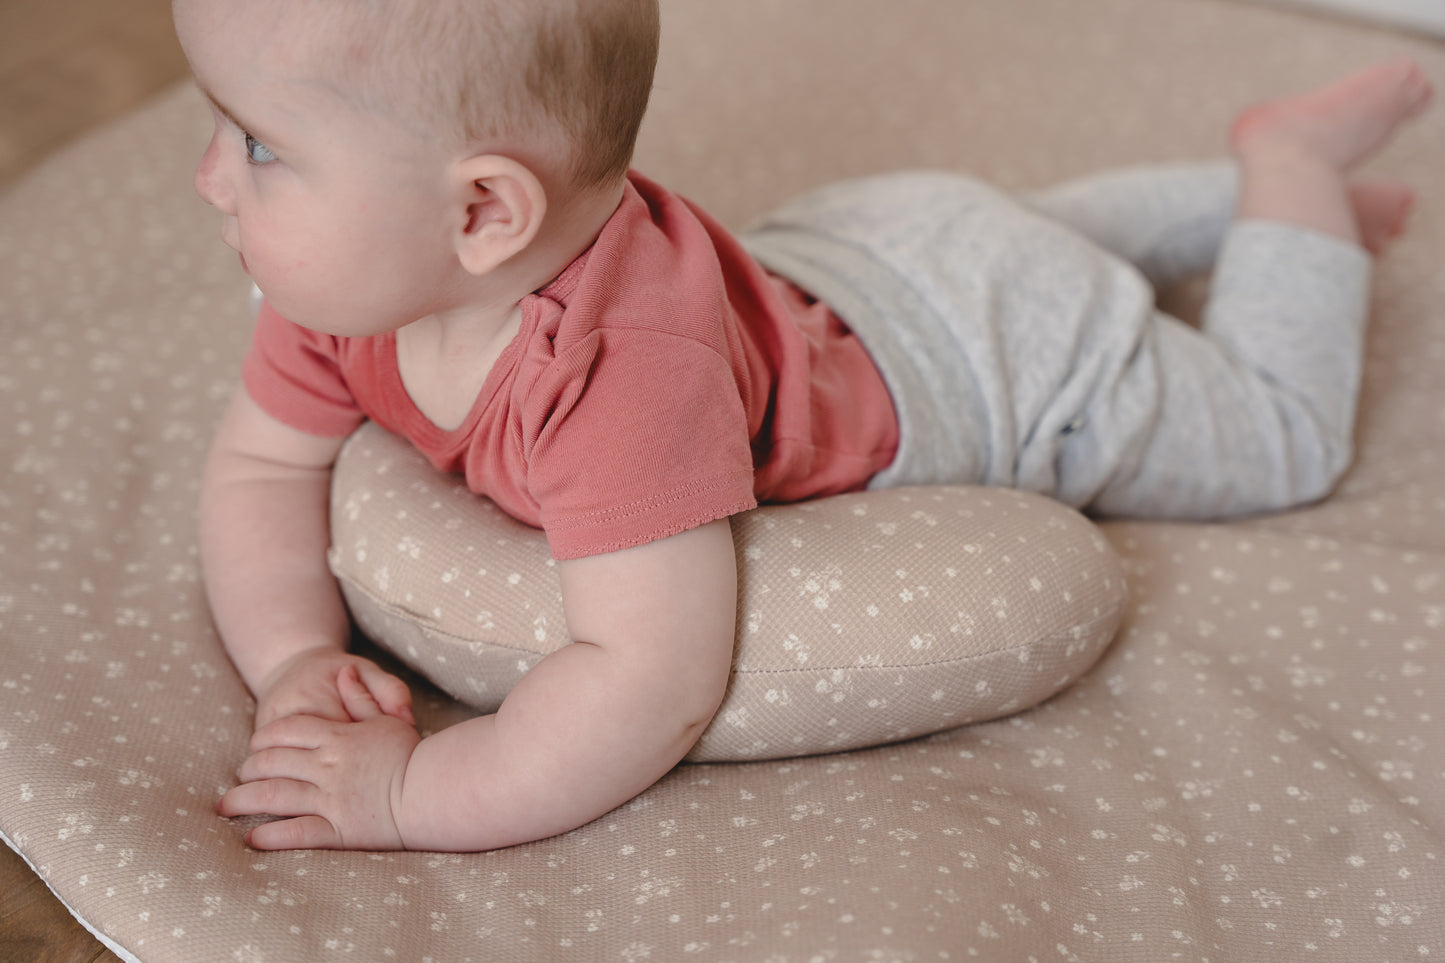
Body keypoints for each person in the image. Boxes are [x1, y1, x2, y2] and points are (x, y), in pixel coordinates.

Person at [175, 0, 1433, 852]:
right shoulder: (342, 291)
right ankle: (1220, 211)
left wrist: (410, 796)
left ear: (484, 213)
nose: (209, 176)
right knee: (1028, 231)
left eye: (261, 147)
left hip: (995, 357)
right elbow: (257, 465)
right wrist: (292, 655)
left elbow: (647, 681)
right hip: (872, 245)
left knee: (1279, 439)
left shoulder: (615, 381)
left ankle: (1284, 183)